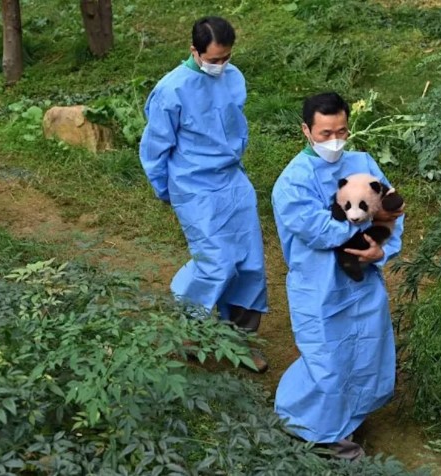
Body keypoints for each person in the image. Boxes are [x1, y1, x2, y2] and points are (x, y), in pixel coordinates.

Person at [271, 92, 405, 460]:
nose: (335, 141)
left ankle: (347, 418)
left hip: (362, 281)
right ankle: (316, 430)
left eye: (342, 131)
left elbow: (392, 209)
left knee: (366, 350)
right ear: (306, 130)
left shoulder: (361, 161)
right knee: (326, 360)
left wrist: (382, 249)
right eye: (325, 133)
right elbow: (319, 230)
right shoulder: (293, 182)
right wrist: (372, 217)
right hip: (319, 286)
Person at [139, 16, 268, 372]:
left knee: (250, 264)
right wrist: (167, 191)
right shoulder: (171, 90)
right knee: (216, 262)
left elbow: (235, 124)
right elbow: (154, 149)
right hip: (194, 186)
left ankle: (242, 342)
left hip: (232, 181)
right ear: (194, 51)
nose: (221, 65)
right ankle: (186, 330)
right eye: (214, 59)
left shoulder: (233, 77)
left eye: (226, 57)